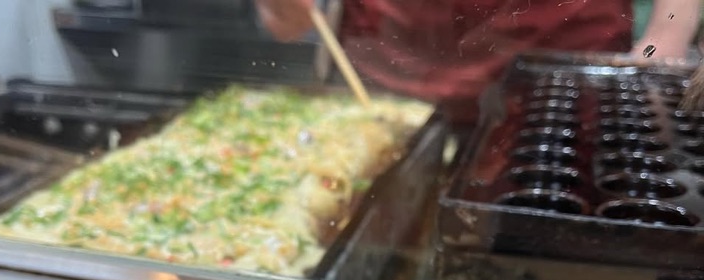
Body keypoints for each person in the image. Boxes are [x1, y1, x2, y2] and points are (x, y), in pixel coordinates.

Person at [255, 0, 701, 115]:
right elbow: (286, 22)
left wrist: (662, 40)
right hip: (383, 93)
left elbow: (666, 34)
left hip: (562, 91)